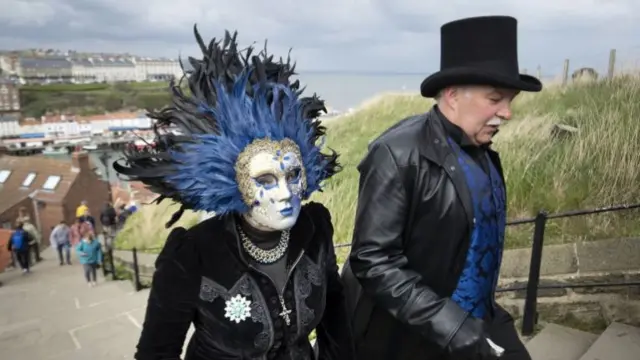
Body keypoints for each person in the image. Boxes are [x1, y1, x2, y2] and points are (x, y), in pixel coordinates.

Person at [113, 26, 353, 360]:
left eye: (293, 174)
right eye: (266, 179)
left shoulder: (315, 229)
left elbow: (335, 314)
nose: (285, 193)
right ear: (234, 181)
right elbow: (158, 352)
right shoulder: (193, 254)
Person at [341, 16, 542, 360]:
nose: (507, 113)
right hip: (409, 338)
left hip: (478, 322)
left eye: (510, 100)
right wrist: (445, 321)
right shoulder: (396, 154)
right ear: (452, 95)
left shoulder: (485, 153)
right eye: (496, 99)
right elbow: (372, 260)